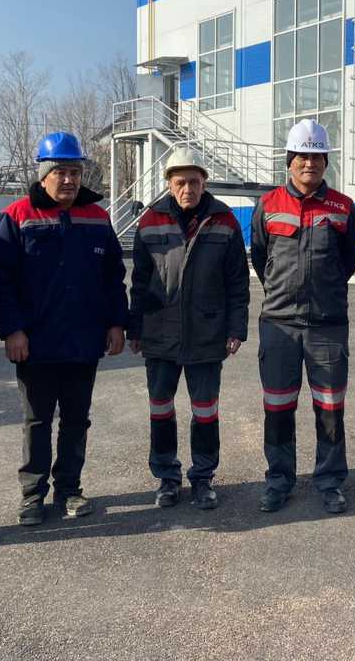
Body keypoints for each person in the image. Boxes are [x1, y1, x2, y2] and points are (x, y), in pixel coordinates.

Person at [0, 131, 128, 526]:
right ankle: (32, 495)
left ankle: (69, 489)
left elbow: (113, 277)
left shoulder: (97, 217)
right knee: (37, 421)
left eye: (75, 172)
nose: (68, 180)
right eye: (60, 172)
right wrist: (12, 330)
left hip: (84, 341)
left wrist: (117, 322)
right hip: (35, 343)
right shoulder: (17, 217)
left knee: (77, 420)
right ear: (43, 175)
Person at [127, 148, 250, 510]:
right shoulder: (150, 221)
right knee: (160, 408)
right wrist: (135, 328)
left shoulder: (224, 221)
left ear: (204, 183)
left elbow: (237, 283)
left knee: (206, 410)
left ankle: (203, 478)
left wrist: (236, 328)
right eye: (180, 182)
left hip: (207, 333)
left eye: (194, 182)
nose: (188, 189)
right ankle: (167, 478)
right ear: (169, 184)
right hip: (160, 332)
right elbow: (139, 281)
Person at [251, 119, 355, 514]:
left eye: (316, 157)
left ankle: (330, 481)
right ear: (290, 160)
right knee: (278, 407)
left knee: (330, 408)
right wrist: (284, 292)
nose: (309, 164)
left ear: (326, 162)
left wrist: (322, 293)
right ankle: (279, 480)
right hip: (279, 324)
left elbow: (348, 261)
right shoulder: (268, 204)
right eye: (302, 156)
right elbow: (260, 258)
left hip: (327, 325)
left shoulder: (343, 207)